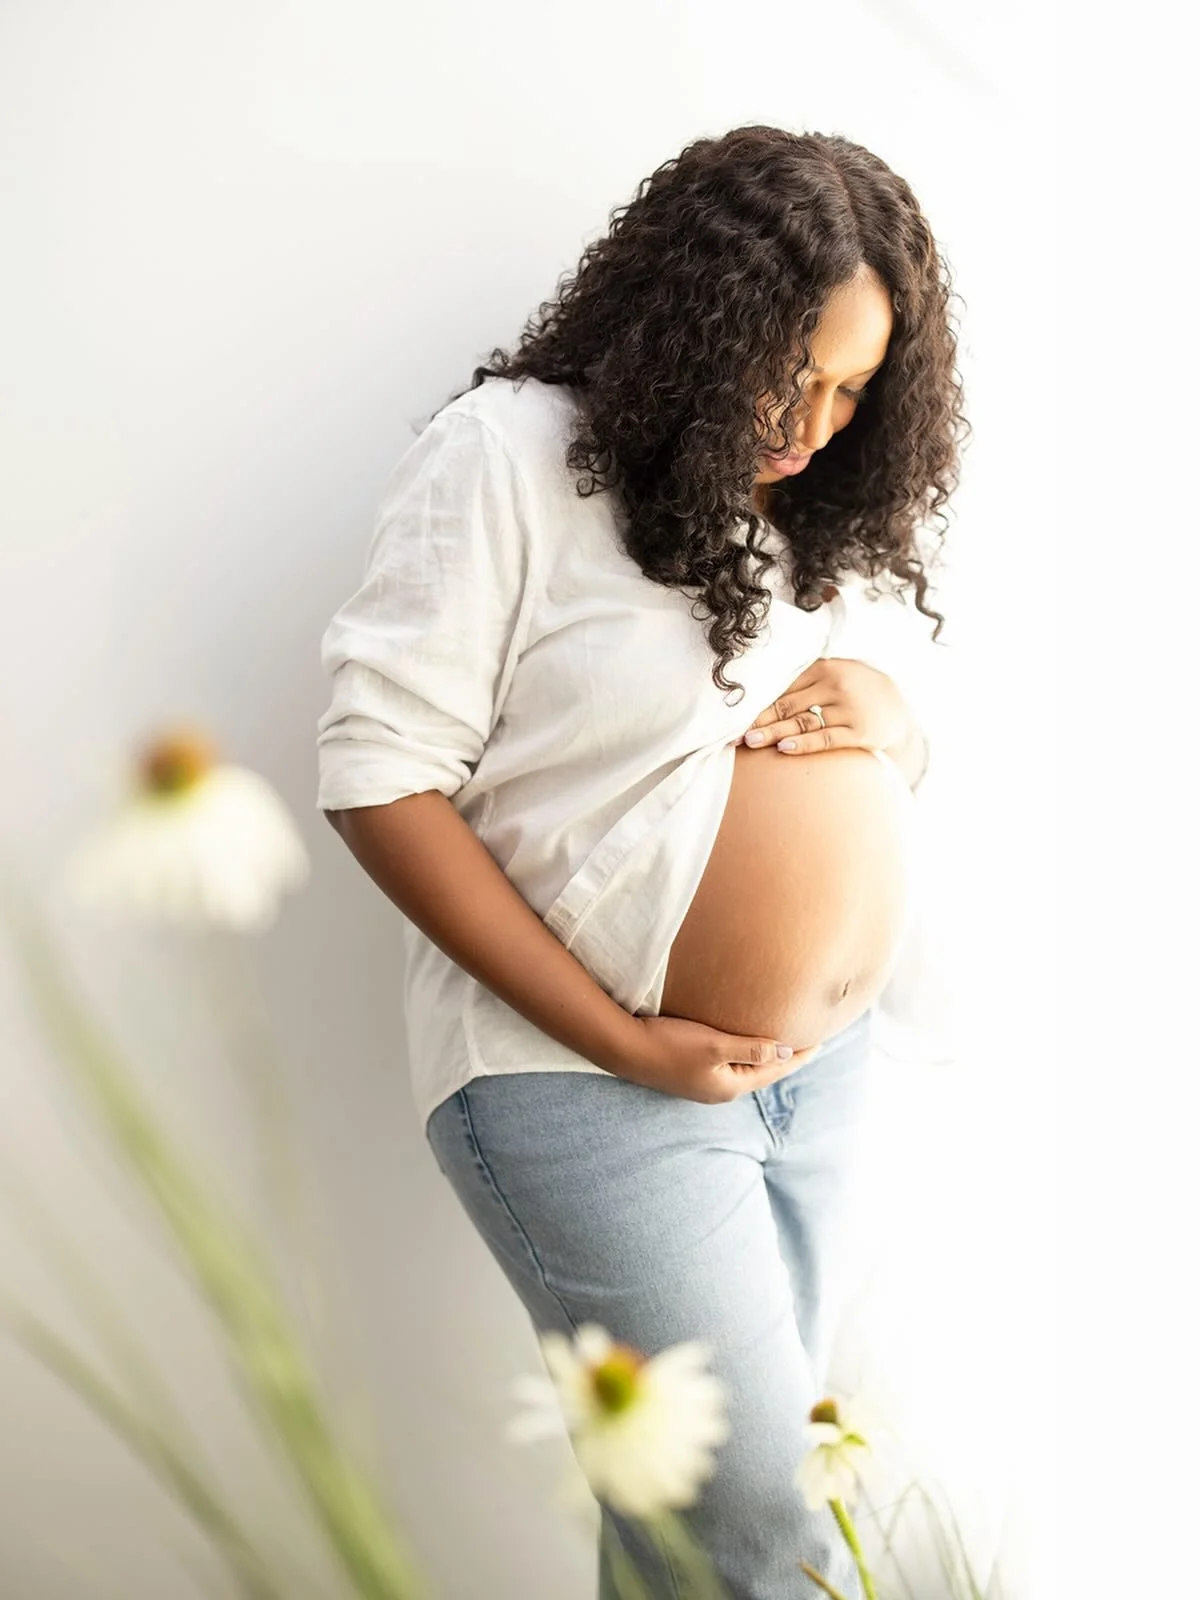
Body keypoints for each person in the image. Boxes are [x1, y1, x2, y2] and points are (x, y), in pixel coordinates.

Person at [316, 124, 966, 1599]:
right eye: (787, 373)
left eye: (854, 388)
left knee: (706, 1518)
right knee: (750, 1526)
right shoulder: (509, 457)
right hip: (588, 1079)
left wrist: (898, 723)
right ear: (698, 323)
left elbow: (818, 733)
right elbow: (377, 776)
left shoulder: (800, 498)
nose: (815, 422)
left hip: (822, 1077)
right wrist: (622, 1037)